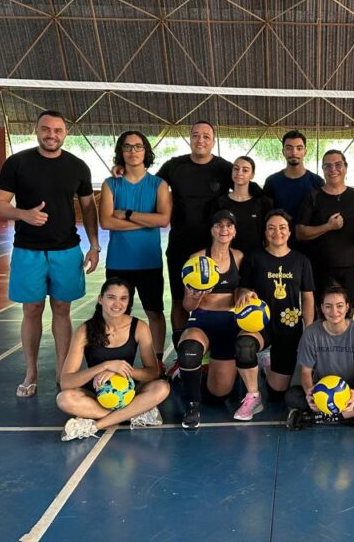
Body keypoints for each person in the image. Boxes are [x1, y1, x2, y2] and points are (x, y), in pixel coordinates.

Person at [0, 110, 100, 398]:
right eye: (46, 129)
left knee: (62, 310)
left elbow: (89, 208)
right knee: (32, 310)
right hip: (28, 250)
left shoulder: (78, 166)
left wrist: (94, 245)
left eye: (57, 130)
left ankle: (63, 372)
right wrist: (23, 214)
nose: (52, 135)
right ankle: (31, 371)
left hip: (66, 250)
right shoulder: (17, 163)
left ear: (65, 133)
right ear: (36, 130)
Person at [176, 210, 266, 429]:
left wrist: (244, 292)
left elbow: (243, 288)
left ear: (234, 232)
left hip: (230, 322)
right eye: (219, 225)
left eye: (229, 225)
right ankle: (191, 405)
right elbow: (187, 306)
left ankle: (210, 372)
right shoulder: (196, 259)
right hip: (202, 320)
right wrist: (196, 296)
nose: (224, 229)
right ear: (211, 230)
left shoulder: (239, 257)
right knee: (189, 352)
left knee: (218, 394)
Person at [56, 277, 170, 440]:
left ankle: (94, 426)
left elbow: (153, 373)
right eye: (111, 297)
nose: (117, 304)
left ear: (129, 302)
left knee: (162, 387)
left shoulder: (139, 327)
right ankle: (135, 413)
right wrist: (106, 366)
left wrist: (121, 370)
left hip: (129, 393)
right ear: (100, 299)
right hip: (96, 394)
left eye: (123, 298)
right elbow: (66, 382)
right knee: (64, 399)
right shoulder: (84, 331)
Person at [155, 121, 234, 355]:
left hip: (213, 248)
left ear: (213, 141)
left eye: (206, 136)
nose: (201, 140)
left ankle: (211, 352)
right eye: (196, 135)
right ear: (190, 138)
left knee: (210, 300)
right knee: (180, 300)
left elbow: (247, 190)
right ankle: (182, 354)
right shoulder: (174, 166)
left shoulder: (225, 168)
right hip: (180, 245)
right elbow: (148, 185)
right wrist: (120, 168)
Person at [99, 131, 171, 368]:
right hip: (119, 262)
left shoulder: (159, 185)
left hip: (149, 262)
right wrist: (146, 220)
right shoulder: (110, 184)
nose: (133, 151)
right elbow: (106, 222)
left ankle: (157, 362)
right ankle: (116, 363)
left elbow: (163, 220)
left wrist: (128, 214)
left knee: (155, 312)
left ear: (146, 151)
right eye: (127, 147)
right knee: (115, 314)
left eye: (138, 146)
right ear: (121, 152)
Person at [284, 285, 354, 428]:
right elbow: (305, 373)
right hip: (322, 393)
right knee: (292, 396)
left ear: (347, 307)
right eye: (328, 306)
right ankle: (352, 417)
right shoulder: (311, 334)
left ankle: (313, 419)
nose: (334, 311)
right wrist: (310, 394)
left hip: (350, 391)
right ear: (322, 308)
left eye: (339, 306)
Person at [240, 209, 315, 399]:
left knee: (277, 393)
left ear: (289, 231)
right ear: (265, 232)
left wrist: (309, 328)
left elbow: (307, 297)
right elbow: (242, 290)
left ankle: (268, 366)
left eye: (282, 227)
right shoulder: (254, 258)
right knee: (244, 346)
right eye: (271, 228)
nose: (277, 232)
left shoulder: (301, 261)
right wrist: (245, 293)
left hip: (289, 326)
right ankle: (252, 395)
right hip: (260, 325)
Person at [295, 149, 354, 311]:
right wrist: (328, 226)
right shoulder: (313, 197)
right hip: (321, 266)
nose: (333, 169)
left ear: (345, 167)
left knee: (348, 312)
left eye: (338, 165)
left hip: (352, 265)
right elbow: (300, 233)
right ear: (323, 170)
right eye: (328, 166)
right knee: (324, 313)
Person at [211, 156, 274, 255]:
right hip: (228, 258)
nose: (239, 172)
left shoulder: (262, 203)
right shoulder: (220, 202)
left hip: (255, 257)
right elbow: (214, 233)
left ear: (252, 175)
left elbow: (268, 233)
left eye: (245, 170)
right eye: (236, 169)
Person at [263, 130, 324, 219]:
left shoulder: (317, 182)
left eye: (299, 148)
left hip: (308, 228)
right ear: (283, 151)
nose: (294, 152)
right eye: (289, 148)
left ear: (305, 151)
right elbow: (267, 214)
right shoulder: (271, 181)